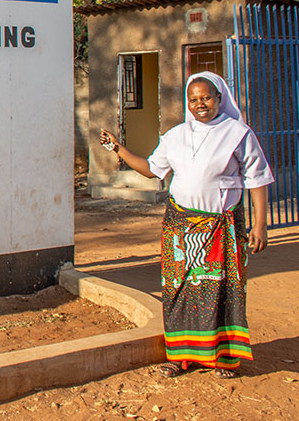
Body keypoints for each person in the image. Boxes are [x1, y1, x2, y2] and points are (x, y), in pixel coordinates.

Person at [100, 71, 273, 379]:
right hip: (179, 229)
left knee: (220, 291)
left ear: (220, 98)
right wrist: (118, 148)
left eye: (206, 97)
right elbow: (153, 171)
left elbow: (257, 180)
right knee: (178, 291)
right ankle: (180, 357)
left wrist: (260, 225)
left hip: (221, 229)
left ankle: (223, 359)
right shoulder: (175, 136)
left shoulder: (238, 134)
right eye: (193, 99)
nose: (200, 104)